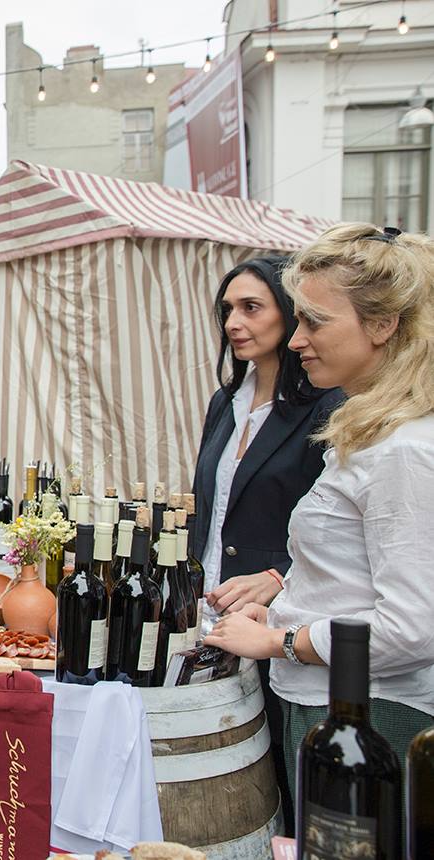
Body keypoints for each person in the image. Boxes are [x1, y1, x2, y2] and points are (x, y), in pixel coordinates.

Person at [205, 224, 434, 806]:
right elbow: (351, 581)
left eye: (314, 321)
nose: (297, 339)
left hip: (369, 719)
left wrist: (281, 638)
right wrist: (282, 608)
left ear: (383, 325)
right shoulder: (373, 434)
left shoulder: (402, 451)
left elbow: (411, 627)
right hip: (332, 703)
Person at [190, 256, 343, 832]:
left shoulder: (328, 405)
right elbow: (212, 512)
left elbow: (332, 526)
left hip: (282, 622)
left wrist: (278, 577)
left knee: (280, 772)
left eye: (251, 307)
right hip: (211, 615)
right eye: (227, 309)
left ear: (291, 313)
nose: (234, 322)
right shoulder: (224, 403)